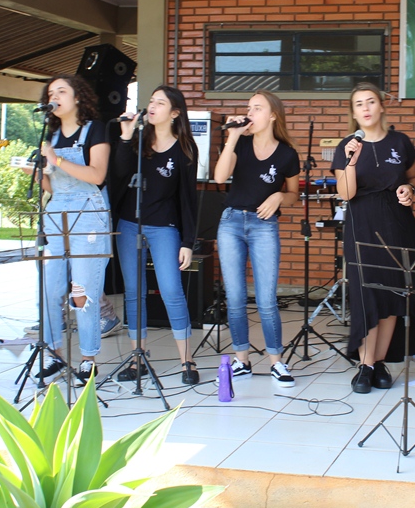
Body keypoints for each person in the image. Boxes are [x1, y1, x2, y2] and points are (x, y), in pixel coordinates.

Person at [332, 83, 415, 393]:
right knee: (367, 294)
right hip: (363, 224)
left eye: (370, 101)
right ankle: (365, 364)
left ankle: (379, 361)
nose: (366, 108)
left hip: (398, 224)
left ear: (381, 106)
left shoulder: (399, 141)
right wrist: (351, 160)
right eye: (359, 104)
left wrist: (410, 188)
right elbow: (346, 193)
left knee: (392, 294)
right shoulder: (347, 145)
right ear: (353, 112)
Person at [113, 86, 201, 385]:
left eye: (160, 103)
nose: (152, 106)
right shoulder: (137, 140)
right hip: (129, 224)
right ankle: (137, 359)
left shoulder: (185, 149)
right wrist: (126, 136)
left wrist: (188, 242)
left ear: (174, 112)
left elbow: (188, 199)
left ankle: (186, 360)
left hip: (165, 227)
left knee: (171, 290)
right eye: (151, 101)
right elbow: (118, 175)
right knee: (134, 292)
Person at [214, 90, 300, 387]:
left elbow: (294, 194)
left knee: (266, 299)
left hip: (264, 226)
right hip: (231, 223)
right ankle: (242, 360)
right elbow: (220, 177)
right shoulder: (240, 143)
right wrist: (233, 136)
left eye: (257, 108)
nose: (250, 112)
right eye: (249, 107)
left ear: (273, 115)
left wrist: (279, 197)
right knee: (235, 297)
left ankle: (276, 362)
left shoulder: (287, 154)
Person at [34, 75, 112, 384]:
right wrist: (37, 172)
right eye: (50, 93)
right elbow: (52, 187)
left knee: (82, 291)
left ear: (78, 97)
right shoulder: (49, 136)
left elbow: (97, 175)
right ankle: (54, 354)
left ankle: (88, 359)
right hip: (57, 213)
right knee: (50, 289)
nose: (54, 97)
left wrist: (57, 160)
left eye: (61, 91)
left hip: (89, 214)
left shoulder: (95, 129)